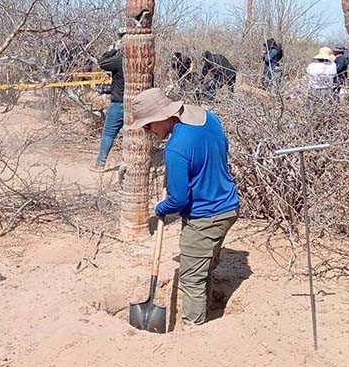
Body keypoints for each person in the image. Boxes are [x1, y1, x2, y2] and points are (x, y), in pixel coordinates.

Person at [128, 88, 239, 327]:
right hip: (228, 206)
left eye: (148, 126)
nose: (148, 132)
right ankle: (206, 313)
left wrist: (160, 209)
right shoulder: (208, 117)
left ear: (162, 117)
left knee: (191, 279)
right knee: (203, 268)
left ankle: (194, 328)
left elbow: (178, 201)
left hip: (206, 216)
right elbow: (224, 147)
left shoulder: (176, 147)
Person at [91, 28, 126, 173]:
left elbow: (102, 62)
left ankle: (100, 164)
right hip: (138, 104)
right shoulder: (143, 61)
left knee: (109, 133)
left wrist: (113, 49)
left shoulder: (119, 61)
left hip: (119, 104)